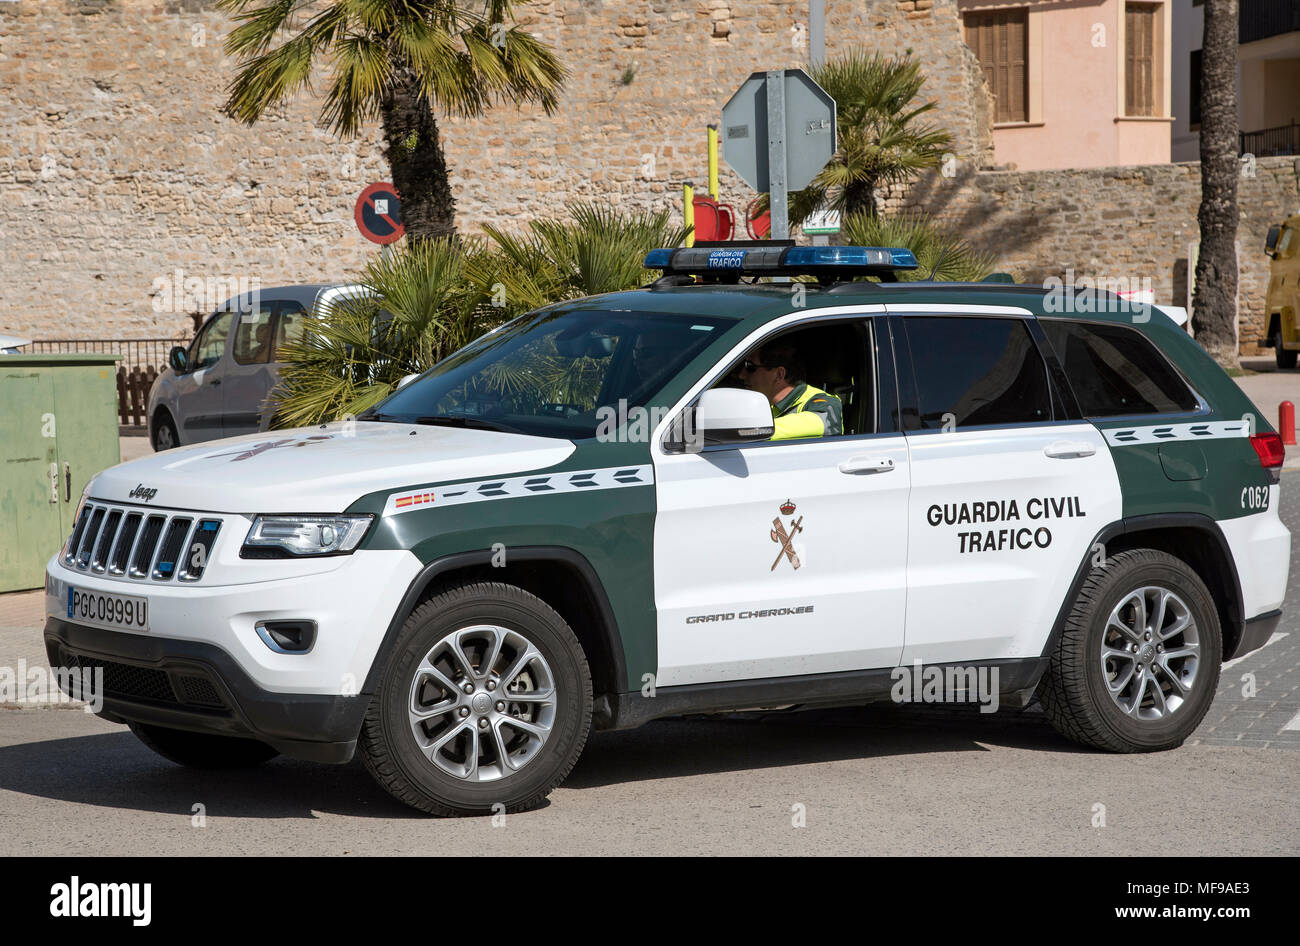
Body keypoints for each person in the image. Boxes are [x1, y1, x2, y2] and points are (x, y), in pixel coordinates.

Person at [739, 340, 842, 440]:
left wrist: (744, 432)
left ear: (779, 374)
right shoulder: (762, 404)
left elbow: (824, 422)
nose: (741, 375)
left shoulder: (825, 403)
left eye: (750, 367)